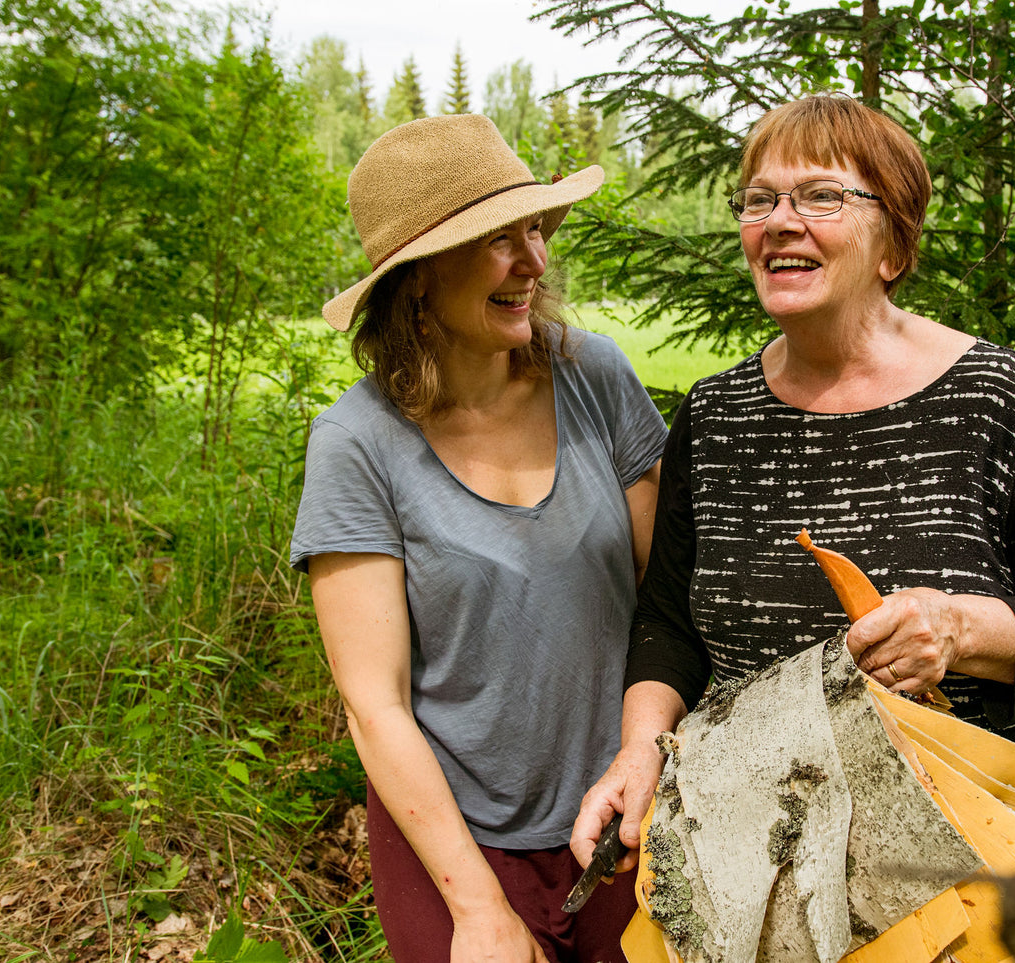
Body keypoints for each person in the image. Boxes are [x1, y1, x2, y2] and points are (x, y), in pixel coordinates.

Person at [571, 94, 1015, 877]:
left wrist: (959, 629)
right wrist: (639, 750)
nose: (778, 220)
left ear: (892, 247)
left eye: (822, 196)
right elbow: (668, 624)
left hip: (960, 863)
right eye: (759, 199)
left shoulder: (992, 399)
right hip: (754, 858)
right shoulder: (715, 414)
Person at [290, 115, 668, 963]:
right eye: (497, 240)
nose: (532, 261)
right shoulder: (358, 445)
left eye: (532, 229)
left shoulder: (594, 376)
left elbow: (671, 598)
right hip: (451, 834)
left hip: (620, 809)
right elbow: (374, 702)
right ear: (417, 279)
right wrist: (478, 908)